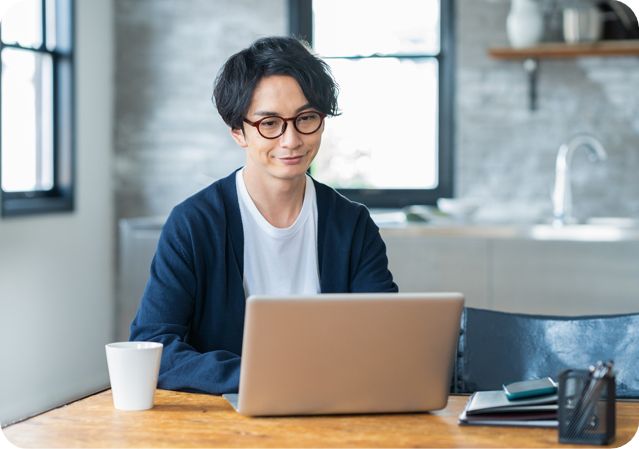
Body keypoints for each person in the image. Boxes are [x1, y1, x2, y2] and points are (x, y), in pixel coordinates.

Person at [130, 36, 398, 395]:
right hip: (225, 420)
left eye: (306, 118)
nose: (291, 140)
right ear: (238, 131)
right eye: (270, 123)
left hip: (331, 411)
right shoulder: (194, 224)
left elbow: (387, 340)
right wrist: (264, 377)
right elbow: (153, 349)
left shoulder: (351, 225)